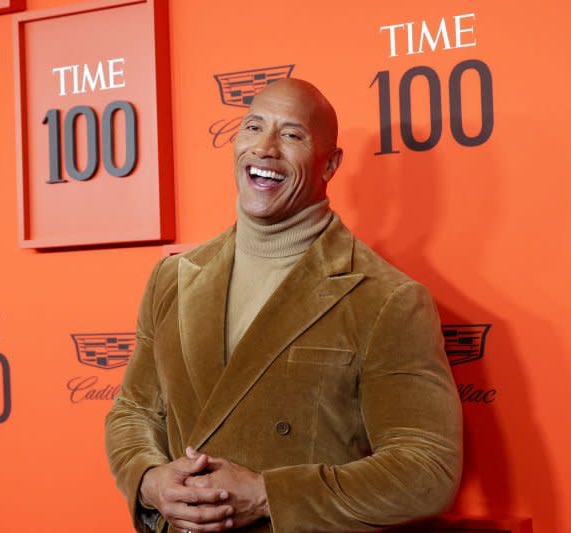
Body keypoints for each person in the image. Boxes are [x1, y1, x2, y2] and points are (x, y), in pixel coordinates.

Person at [105, 78, 462, 532]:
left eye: (291, 135)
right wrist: (150, 481)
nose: (265, 148)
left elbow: (427, 470)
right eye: (254, 127)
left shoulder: (387, 298)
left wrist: (264, 495)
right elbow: (133, 411)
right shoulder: (173, 277)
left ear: (329, 163)